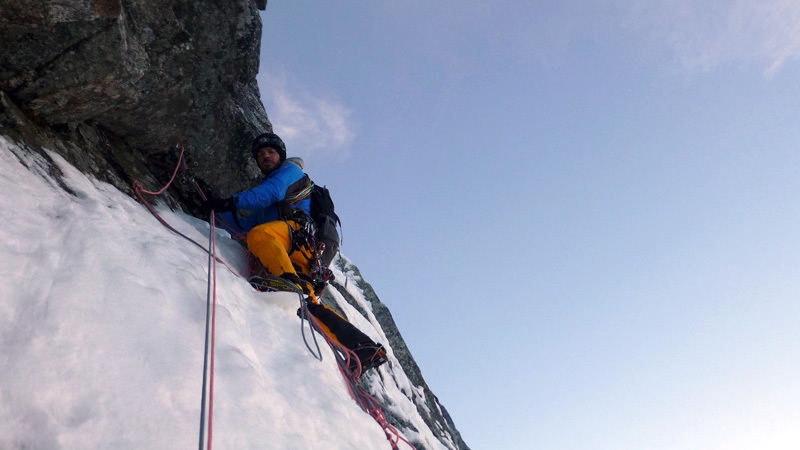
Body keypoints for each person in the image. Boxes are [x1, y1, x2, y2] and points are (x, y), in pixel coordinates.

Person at [201, 132, 387, 374]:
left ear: (281, 155)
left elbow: (270, 195)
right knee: (306, 304)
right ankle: (363, 348)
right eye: (260, 155)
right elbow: (244, 228)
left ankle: (287, 284)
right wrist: (211, 205)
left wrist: (228, 201)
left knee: (262, 237)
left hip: (299, 239)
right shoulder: (269, 207)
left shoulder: (290, 173)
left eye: (270, 152)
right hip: (299, 252)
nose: (265, 156)